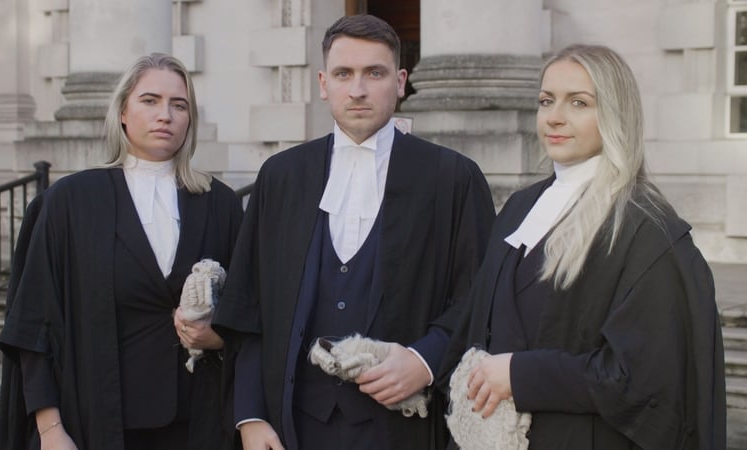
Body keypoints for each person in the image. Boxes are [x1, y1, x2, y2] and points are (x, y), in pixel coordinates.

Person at [212, 14, 496, 450]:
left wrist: (425, 360)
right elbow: (250, 309)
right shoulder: (280, 177)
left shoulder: (453, 178)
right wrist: (250, 416)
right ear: (324, 83)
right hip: (295, 426)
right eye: (344, 74)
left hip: (407, 426)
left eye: (374, 73)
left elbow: (478, 299)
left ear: (400, 82)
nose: (358, 89)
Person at [438, 44, 726, 450]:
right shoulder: (521, 207)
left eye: (579, 103)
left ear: (614, 113)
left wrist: (521, 375)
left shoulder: (647, 229)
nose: (555, 117)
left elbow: (647, 381)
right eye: (546, 101)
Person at [0, 53, 243, 450]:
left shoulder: (220, 204)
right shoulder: (69, 203)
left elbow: (250, 314)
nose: (165, 114)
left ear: (190, 119)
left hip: (200, 423)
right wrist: (49, 430)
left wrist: (217, 336)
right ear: (123, 112)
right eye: (150, 100)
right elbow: (34, 326)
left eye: (179, 105)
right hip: (98, 423)